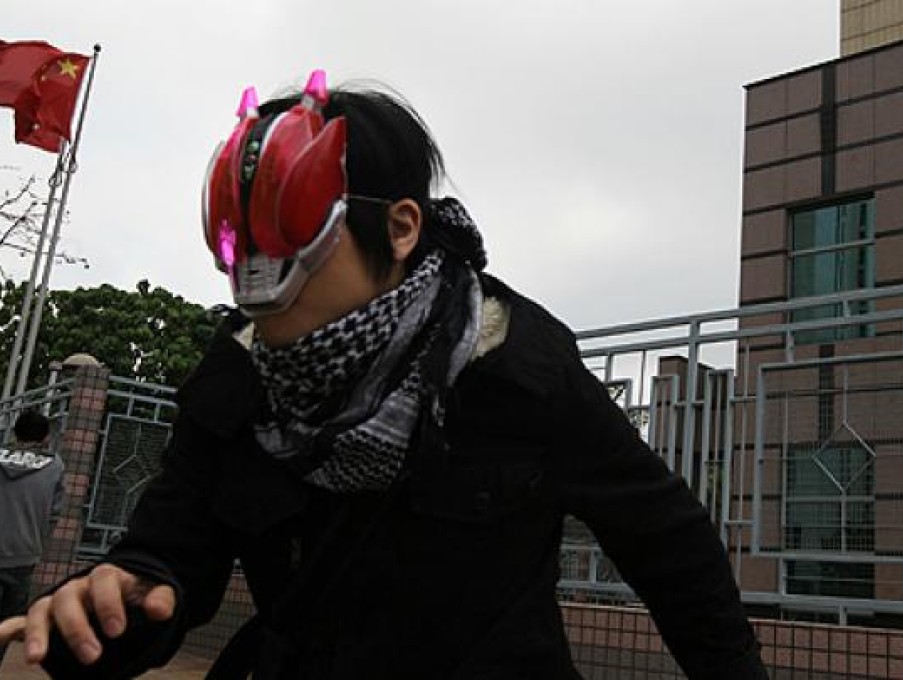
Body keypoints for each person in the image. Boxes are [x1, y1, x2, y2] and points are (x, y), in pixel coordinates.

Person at [0, 71, 768, 679]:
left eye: (294, 231)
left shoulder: (517, 367)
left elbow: (667, 542)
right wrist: (104, 609)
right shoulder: (233, 382)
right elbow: (168, 559)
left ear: (399, 228)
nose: (262, 281)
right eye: (242, 246)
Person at [0, 409, 64, 667]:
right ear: (46, 437)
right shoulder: (55, 466)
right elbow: (55, 512)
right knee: (6, 625)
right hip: (24, 555)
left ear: (15, 433)